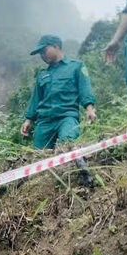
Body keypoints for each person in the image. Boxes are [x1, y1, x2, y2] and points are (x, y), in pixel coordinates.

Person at [21, 35, 98, 186]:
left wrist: (89, 109)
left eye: (44, 51)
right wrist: (29, 120)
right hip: (44, 121)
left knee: (67, 143)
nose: (42, 55)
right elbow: (36, 99)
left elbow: (85, 89)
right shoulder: (42, 74)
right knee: (38, 157)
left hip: (66, 116)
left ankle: (78, 178)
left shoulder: (76, 66)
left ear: (56, 46)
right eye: (40, 53)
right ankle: (43, 187)